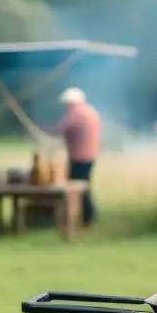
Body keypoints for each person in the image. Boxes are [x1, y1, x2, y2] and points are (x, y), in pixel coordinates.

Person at [56, 87, 100, 226]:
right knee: (84, 186)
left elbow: (62, 128)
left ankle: (84, 217)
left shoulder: (75, 114)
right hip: (90, 156)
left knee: (77, 189)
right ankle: (86, 216)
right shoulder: (91, 112)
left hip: (78, 157)